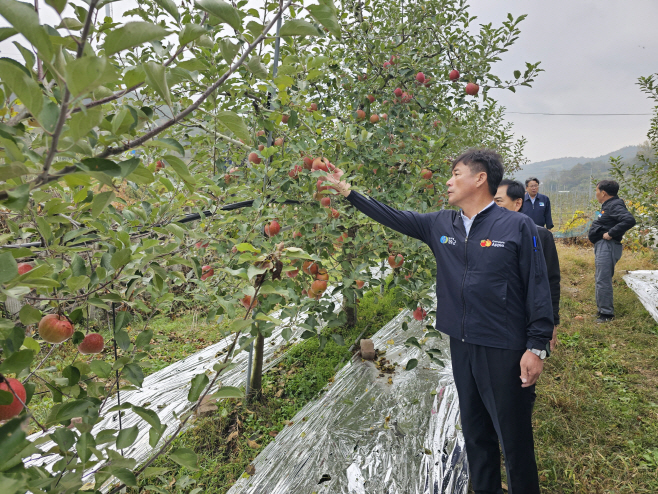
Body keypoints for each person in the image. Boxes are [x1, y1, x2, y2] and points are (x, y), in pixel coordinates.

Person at [325, 149, 553, 494]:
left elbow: (538, 286)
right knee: (475, 431)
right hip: (461, 342)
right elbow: (392, 216)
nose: (448, 181)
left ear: (480, 179)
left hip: (504, 345)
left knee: (514, 436)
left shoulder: (517, 226)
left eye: (456, 173)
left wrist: (536, 346)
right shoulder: (439, 224)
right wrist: (347, 192)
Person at [495, 179, 560, 351]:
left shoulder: (540, 236)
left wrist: (552, 322)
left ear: (517, 204)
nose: (492, 207)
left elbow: (551, 281)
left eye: (498, 201)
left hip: (526, 317)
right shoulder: (485, 237)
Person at [588, 180, 636, 323]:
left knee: (603, 279)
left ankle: (607, 315)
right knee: (600, 278)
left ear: (603, 192)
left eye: (597, 191)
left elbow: (629, 220)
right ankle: (601, 310)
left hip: (608, 245)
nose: (596, 194)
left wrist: (611, 233)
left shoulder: (614, 205)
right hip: (603, 245)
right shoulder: (609, 205)